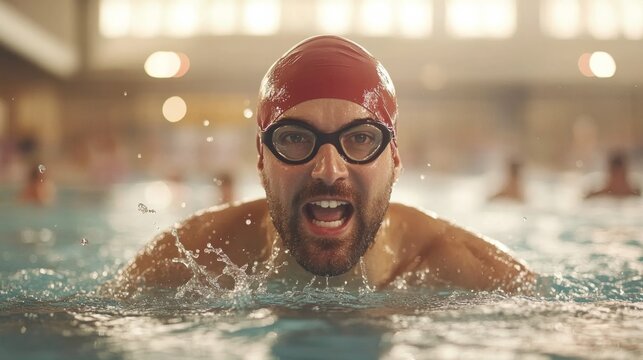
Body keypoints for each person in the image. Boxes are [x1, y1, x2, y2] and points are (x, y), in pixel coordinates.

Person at [107, 36, 535, 297]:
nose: (328, 170)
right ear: (261, 158)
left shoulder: (472, 270)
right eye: (295, 138)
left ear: (395, 158)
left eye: (361, 139)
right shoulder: (182, 261)